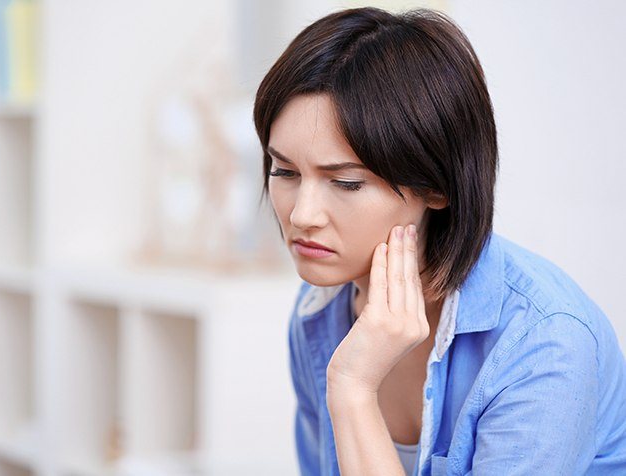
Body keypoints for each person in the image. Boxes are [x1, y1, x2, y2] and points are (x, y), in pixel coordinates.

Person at [252, 6, 626, 476]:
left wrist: (353, 386)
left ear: (437, 186)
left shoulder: (546, 345)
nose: (301, 215)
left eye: (345, 183)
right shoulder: (318, 310)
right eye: (284, 171)